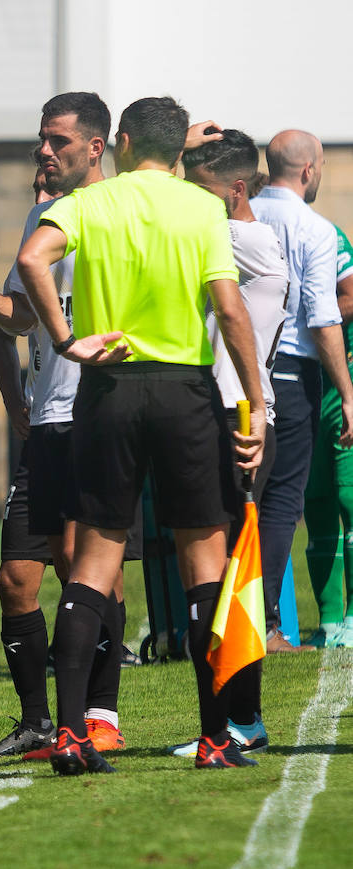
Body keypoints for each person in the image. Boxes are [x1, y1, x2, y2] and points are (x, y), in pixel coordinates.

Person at [18, 96, 266, 773]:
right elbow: (229, 306)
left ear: (120, 142)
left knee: (94, 559)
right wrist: (257, 402)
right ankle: (216, 736)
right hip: (185, 391)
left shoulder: (91, 202)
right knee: (203, 564)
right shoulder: (201, 207)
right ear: (176, 151)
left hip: (109, 388)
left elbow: (34, 257)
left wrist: (68, 342)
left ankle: (71, 732)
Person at [0, 93, 133, 760]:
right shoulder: (42, 217)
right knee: (16, 578)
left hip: (96, 415)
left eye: (57, 139)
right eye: (41, 138)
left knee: (89, 569)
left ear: (95, 147)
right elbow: (21, 319)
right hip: (46, 422)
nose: (43, 150)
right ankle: (37, 720)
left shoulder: (121, 213)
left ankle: (99, 713)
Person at [162, 127, 289, 757]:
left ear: (236, 191)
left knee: (231, 571)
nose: (188, 199)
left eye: (201, 189)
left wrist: (163, 155)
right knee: (230, 567)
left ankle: (241, 719)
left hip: (239, 415)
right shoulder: (228, 232)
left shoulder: (247, 239)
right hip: (226, 411)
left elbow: (156, 216)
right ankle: (242, 717)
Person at [250, 130, 353, 650]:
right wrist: (347, 392)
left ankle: (212, 617)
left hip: (234, 374)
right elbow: (323, 315)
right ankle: (262, 625)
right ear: (310, 171)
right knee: (281, 503)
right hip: (290, 378)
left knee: (241, 496)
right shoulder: (315, 229)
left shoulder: (239, 214)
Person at [304, 223, 353, 648]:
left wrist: (304, 316)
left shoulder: (327, 235)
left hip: (340, 384)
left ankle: (352, 615)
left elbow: (350, 295)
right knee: (315, 501)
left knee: (348, 496)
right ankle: (330, 619)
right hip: (301, 387)